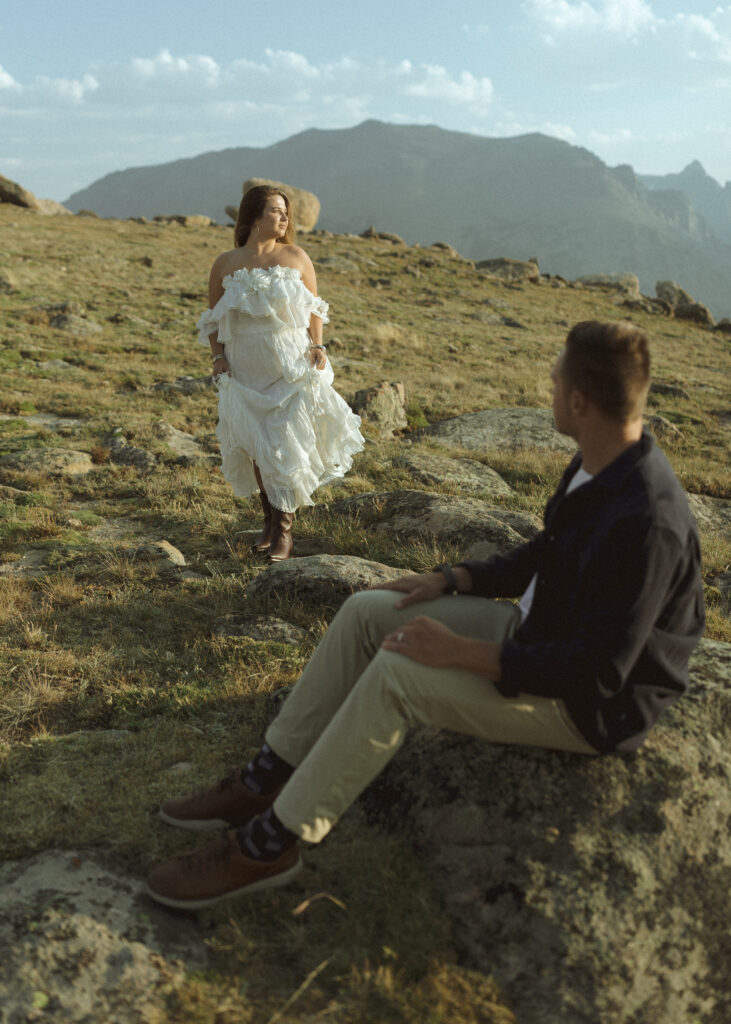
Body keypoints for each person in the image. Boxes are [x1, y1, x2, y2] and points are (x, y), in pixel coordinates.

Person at [147, 320, 705, 910]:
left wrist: (460, 653)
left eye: (557, 375)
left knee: (399, 677)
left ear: (578, 400)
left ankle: (269, 846)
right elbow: (550, 552)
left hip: (589, 706)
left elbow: (599, 673)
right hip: (537, 633)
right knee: (369, 611)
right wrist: (453, 578)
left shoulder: (648, 521)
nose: (549, 382)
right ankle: (266, 777)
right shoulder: (600, 460)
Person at [197, 185, 364, 561]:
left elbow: (315, 308)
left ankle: (285, 531)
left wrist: (318, 346)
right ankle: (270, 521)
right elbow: (212, 319)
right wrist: (217, 358)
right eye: (276, 210)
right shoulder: (226, 262)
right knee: (258, 447)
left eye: (286, 212)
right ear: (254, 217)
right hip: (244, 368)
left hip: (290, 364)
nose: (285, 218)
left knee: (285, 444)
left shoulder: (296, 256)